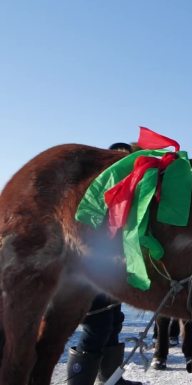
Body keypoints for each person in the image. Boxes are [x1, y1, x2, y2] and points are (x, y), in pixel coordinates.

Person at [66, 142, 142, 385]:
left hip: (110, 271)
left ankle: (110, 379)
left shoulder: (129, 197)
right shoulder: (94, 193)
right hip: (88, 270)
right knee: (96, 324)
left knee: (113, 320)